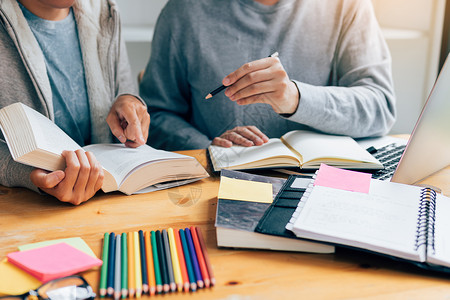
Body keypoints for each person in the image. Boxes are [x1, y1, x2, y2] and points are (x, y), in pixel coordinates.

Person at [140, 0, 396, 151]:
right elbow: (157, 115)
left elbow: (379, 107)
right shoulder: (185, 11)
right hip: (217, 185)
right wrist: (210, 149)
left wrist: (295, 98)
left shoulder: (347, 6)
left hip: (324, 184)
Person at [0, 0, 150, 205]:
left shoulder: (104, 11)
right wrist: (26, 173)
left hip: (109, 204)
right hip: (24, 211)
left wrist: (128, 101)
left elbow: (122, 89)